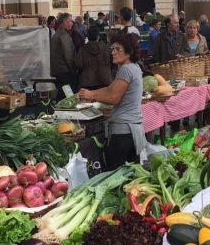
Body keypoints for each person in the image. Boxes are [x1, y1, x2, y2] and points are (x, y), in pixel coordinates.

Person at [78, 31, 143, 169]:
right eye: (112, 49)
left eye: (117, 49)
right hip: (133, 131)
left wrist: (91, 95)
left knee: (115, 175)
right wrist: (90, 93)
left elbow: (113, 97)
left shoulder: (126, 69)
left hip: (123, 132)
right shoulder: (135, 67)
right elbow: (109, 89)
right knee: (130, 176)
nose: (113, 52)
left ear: (129, 51)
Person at [75, 25, 112, 90]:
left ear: (88, 37)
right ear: (98, 37)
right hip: (105, 80)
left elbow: (78, 64)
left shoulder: (83, 49)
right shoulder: (106, 48)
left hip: (87, 81)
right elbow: (112, 62)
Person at [50, 12, 78, 96]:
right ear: (65, 21)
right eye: (70, 21)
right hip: (65, 71)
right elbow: (69, 55)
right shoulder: (63, 35)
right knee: (70, 96)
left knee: (62, 94)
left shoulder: (58, 34)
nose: (72, 23)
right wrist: (74, 69)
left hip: (59, 70)